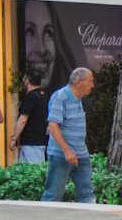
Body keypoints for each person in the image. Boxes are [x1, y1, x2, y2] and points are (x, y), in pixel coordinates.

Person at [40, 68, 95, 203]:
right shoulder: (61, 96)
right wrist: (67, 151)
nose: (92, 85)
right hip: (61, 154)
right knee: (53, 195)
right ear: (77, 81)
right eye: (90, 81)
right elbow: (53, 126)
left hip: (81, 154)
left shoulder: (77, 99)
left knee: (87, 194)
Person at [13, 74, 53, 164]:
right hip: (40, 141)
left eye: (24, 79)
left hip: (30, 142)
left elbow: (23, 120)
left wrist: (14, 138)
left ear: (27, 81)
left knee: (29, 172)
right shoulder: (44, 96)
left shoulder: (31, 96)